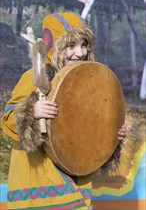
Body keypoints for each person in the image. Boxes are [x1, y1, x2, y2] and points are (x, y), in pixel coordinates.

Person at [1, 12, 126, 209]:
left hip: (76, 175)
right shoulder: (35, 77)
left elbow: (88, 126)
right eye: (71, 46)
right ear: (55, 47)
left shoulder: (89, 82)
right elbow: (7, 119)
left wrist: (110, 135)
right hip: (42, 177)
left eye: (84, 44)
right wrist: (31, 112)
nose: (80, 52)